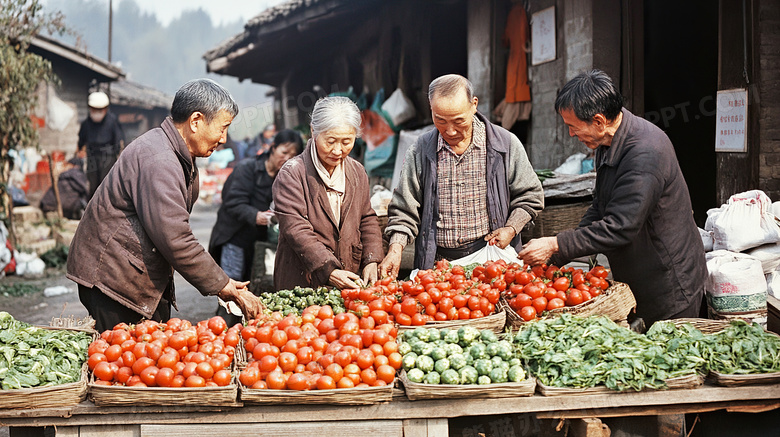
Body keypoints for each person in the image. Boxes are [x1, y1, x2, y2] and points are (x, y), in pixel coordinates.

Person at [67, 79, 263, 332]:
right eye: (222, 128)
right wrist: (222, 285)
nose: (224, 138)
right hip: (112, 278)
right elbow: (175, 237)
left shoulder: (177, 153)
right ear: (195, 121)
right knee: (124, 360)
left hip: (131, 272)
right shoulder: (159, 158)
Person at [517, 69, 707, 327]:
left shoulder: (644, 152)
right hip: (640, 273)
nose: (572, 135)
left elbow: (620, 226)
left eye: (573, 127)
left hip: (668, 280)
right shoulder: (608, 142)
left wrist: (556, 244)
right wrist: (557, 255)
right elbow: (601, 207)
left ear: (598, 121)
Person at [379, 74, 544, 278]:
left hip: (492, 260)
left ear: (474, 105)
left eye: (459, 120)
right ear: (431, 108)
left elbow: (531, 195)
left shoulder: (505, 145)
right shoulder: (420, 150)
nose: (450, 130)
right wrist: (395, 249)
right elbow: (405, 208)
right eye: (440, 120)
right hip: (438, 265)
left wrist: (511, 228)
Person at [272, 96, 384, 291]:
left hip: (349, 277)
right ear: (314, 131)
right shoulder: (292, 173)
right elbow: (295, 228)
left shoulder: (357, 171)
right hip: (303, 282)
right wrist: (329, 270)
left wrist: (372, 259)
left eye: (347, 142)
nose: (338, 150)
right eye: (330, 141)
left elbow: (366, 217)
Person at [209, 129, 303, 323]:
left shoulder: (285, 177)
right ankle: (223, 328)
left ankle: (244, 330)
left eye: (292, 156)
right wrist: (256, 216)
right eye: (284, 152)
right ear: (273, 148)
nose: (286, 158)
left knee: (253, 286)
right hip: (234, 236)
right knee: (231, 288)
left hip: (258, 242)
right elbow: (232, 202)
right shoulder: (247, 168)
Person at [78, 91, 125, 199]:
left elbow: (118, 139)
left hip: (108, 157)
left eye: (99, 110)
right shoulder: (87, 123)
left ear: (105, 109)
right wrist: (80, 149)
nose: (97, 113)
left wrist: (118, 154)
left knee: (106, 185)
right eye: (94, 109)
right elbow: (81, 139)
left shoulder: (112, 121)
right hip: (92, 156)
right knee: (93, 185)